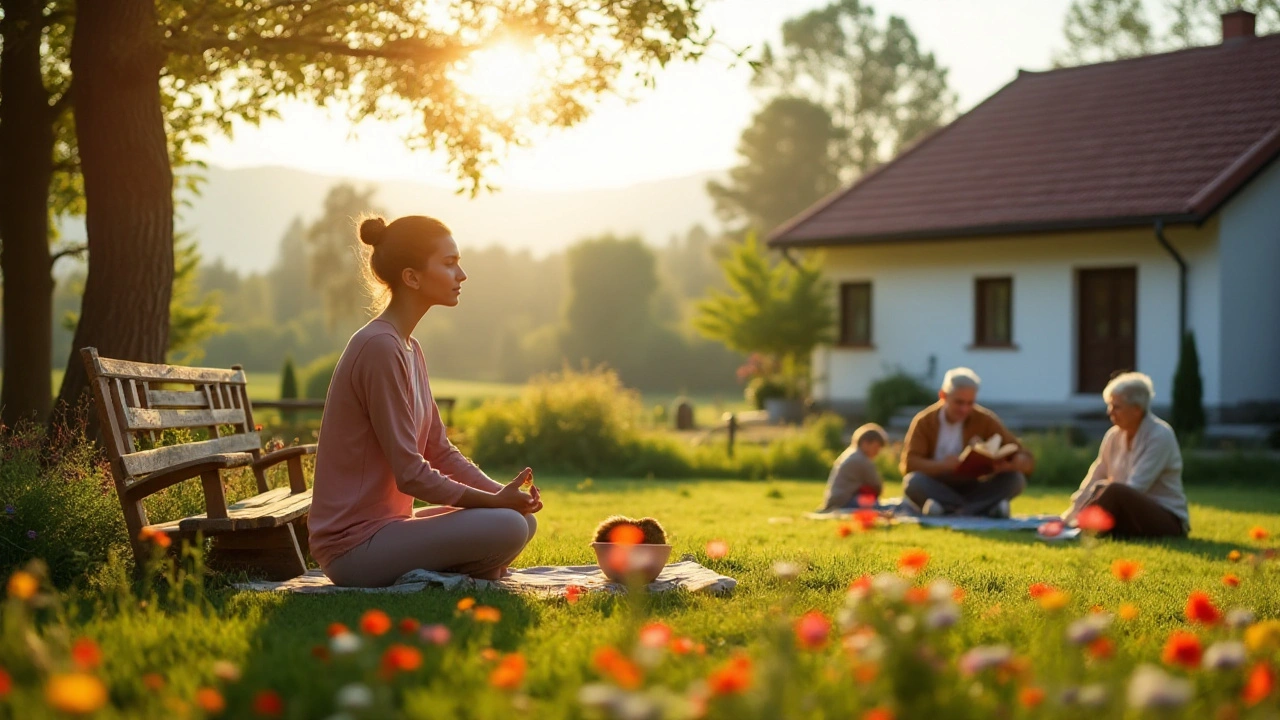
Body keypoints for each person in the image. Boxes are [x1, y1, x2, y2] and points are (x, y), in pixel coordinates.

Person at [309, 215, 542, 587]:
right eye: (449, 264)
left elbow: (440, 451)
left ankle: (468, 563)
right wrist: (495, 503)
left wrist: (500, 493)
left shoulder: (409, 348)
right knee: (508, 525)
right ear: (412, 277)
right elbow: (411, 474)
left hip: (392, 528)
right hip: (353, 547)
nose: (462, 275)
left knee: (521, 520)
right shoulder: (378, 348)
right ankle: (472, 565)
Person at [1061, 372, 1189, 538]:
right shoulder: (1113, 436)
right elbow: (1096, 474)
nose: (1110, 412)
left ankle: (1082, 530)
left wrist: (1090, 508)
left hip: (1166, 519)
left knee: (1114, 490)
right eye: (1110, 405)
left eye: (1116, 406)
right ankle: (1077, 529)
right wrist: (1070, 515)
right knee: (1108, 489)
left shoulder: (1160, 435)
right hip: (1129, 515)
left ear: (1136, 409)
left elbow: (1136, 486)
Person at [900, 367, 1035, 517]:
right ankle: (983, 509)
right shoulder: (924, 422)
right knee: (913, 482)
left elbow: (1022, 454)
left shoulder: (985, 419)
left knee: (1015, 479)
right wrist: (943, 466)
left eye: (970, 403)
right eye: (959, 402)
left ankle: (948, 509)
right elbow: (910, 464)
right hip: (938, 485)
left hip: (975, 486)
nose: (964, 409)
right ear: (943, 396)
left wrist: (1015, 463)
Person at [818, 423, 889, 512]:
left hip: (836, 500)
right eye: (876, 448)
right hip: (844, 502)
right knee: (879, 507)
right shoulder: (862, 460)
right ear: (865, 443)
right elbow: (877, 485)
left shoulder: (850, 454)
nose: (877, 452)